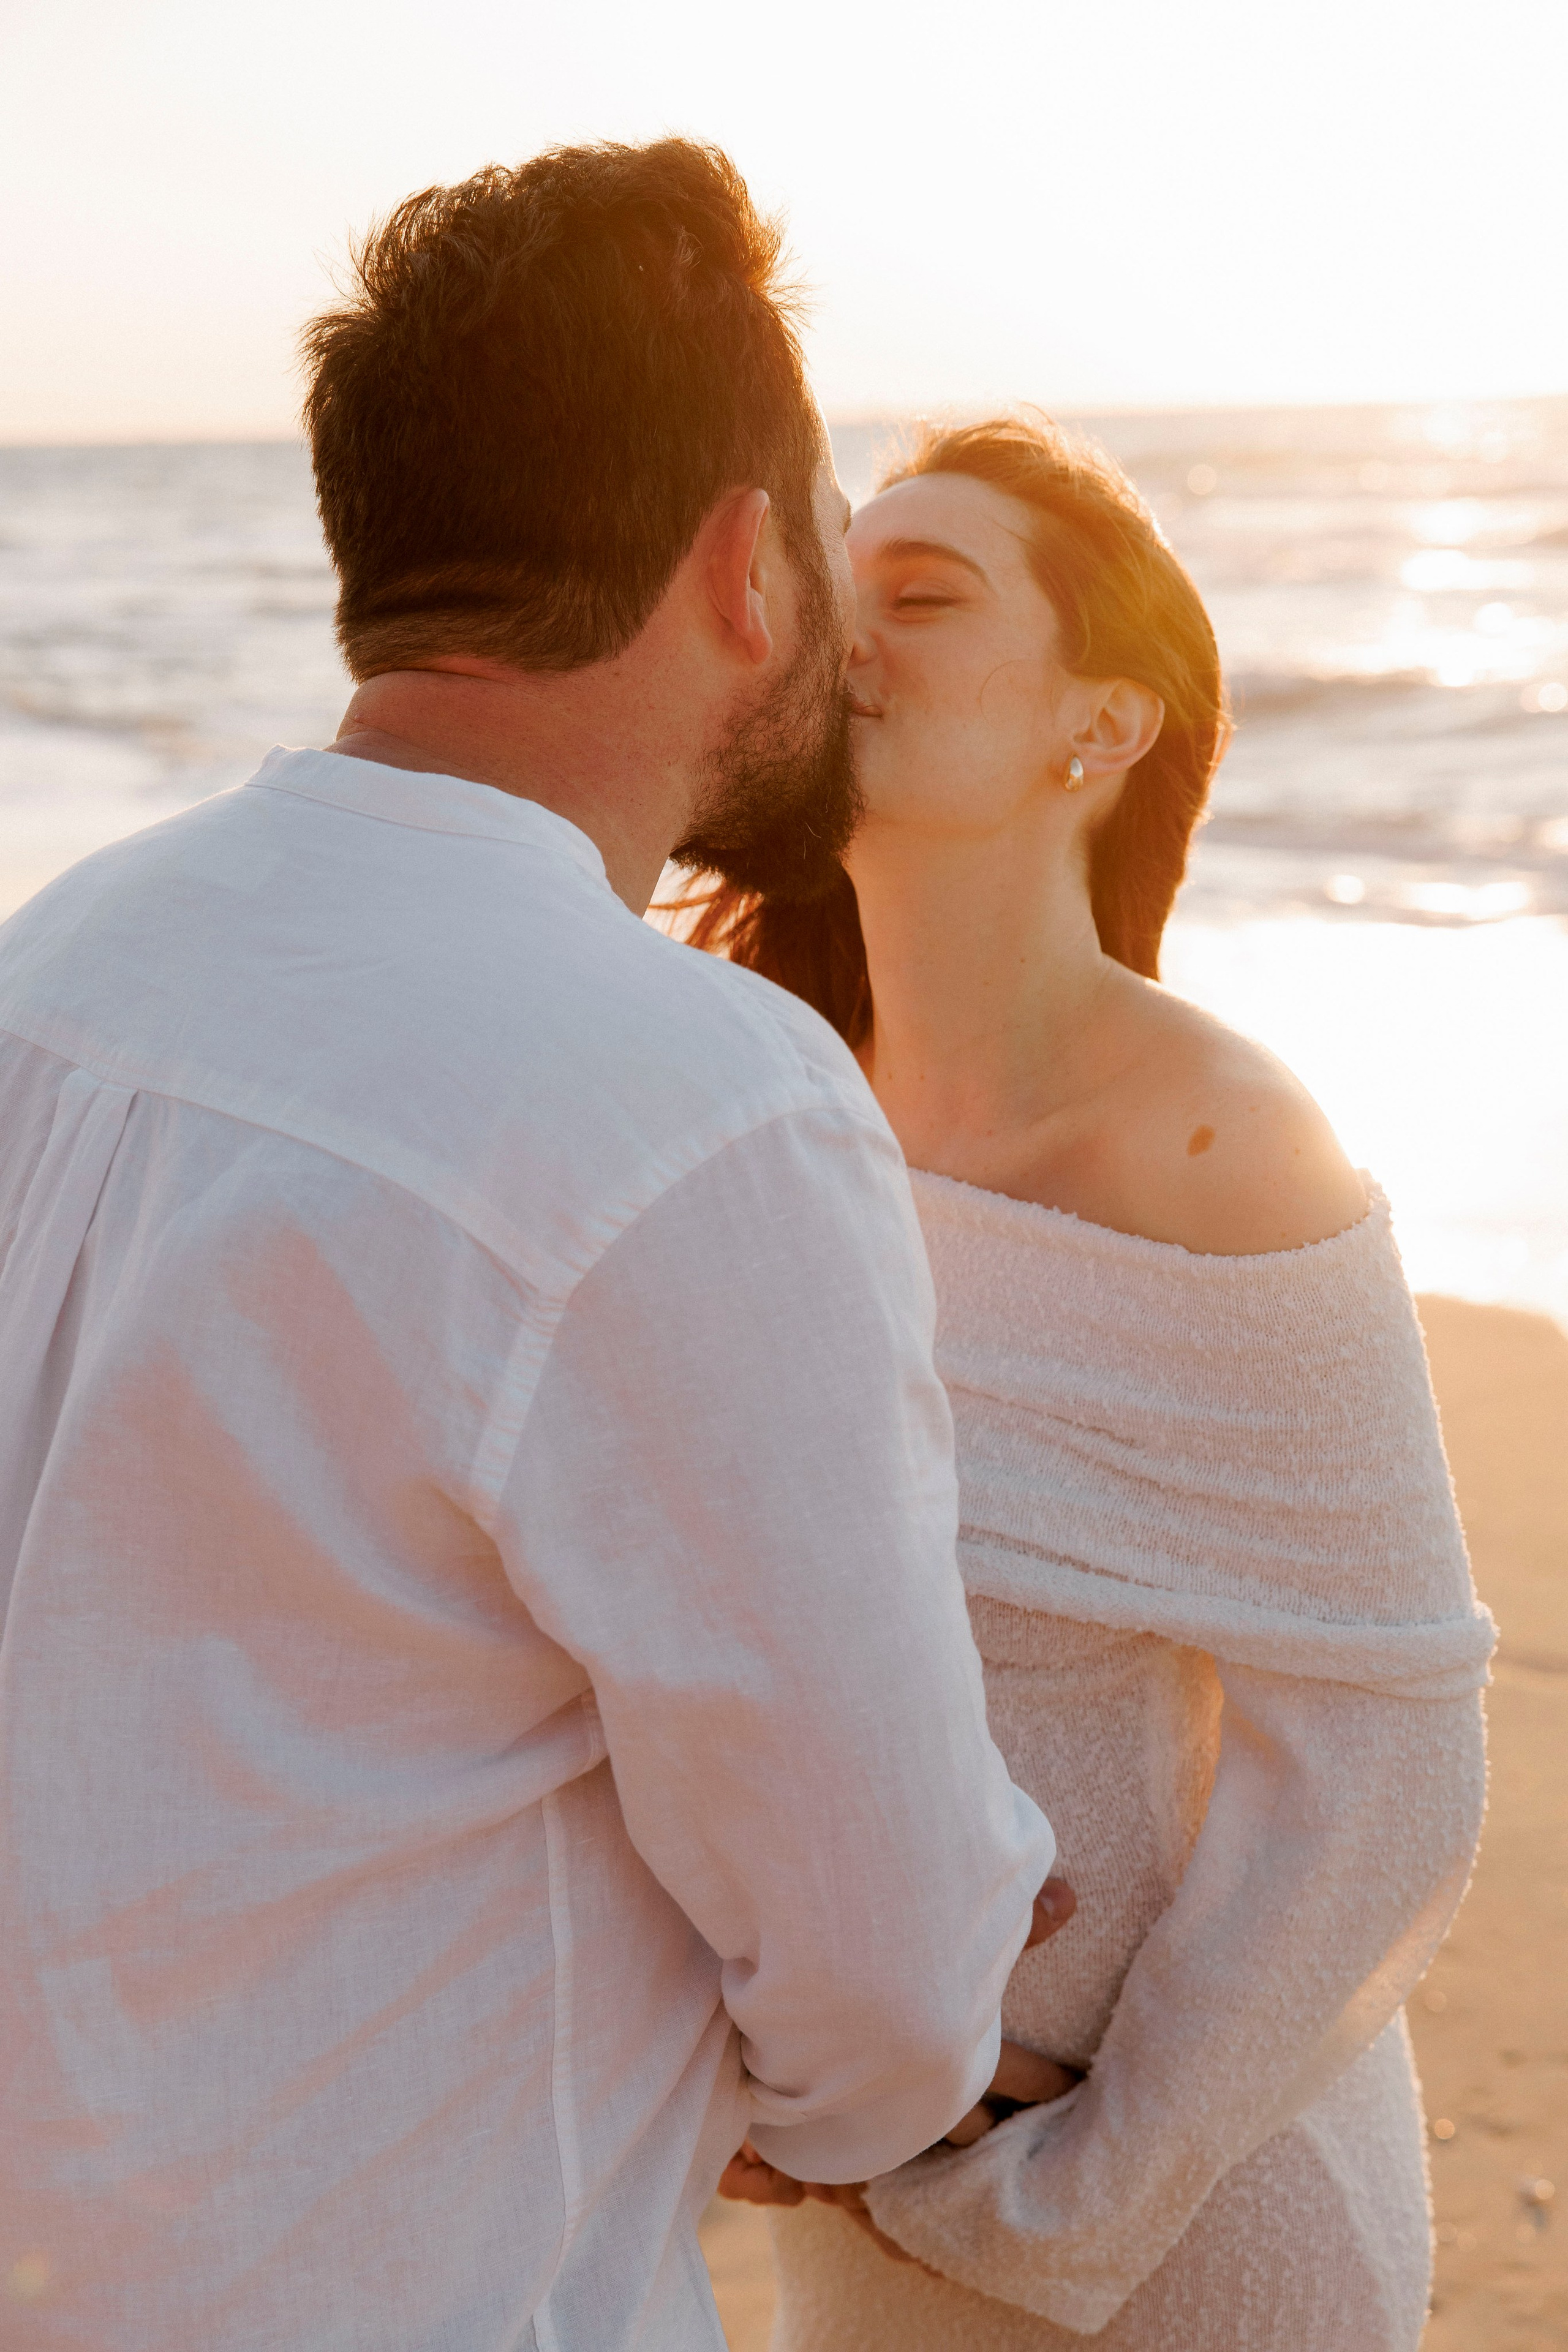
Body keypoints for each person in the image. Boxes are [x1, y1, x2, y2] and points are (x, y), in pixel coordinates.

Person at [0, 151, 1066, 2352]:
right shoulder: (696, 1105)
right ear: (746, 567)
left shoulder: (65, 958)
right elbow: (882, 1979)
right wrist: (827, 2072)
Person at [696, 416, 1495, 2348]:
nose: (850, 637)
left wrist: (1070, 2196)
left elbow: (1388, 1761)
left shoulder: (1220, 1147)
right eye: (834, 588)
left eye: (930, 596)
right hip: (874, 2186)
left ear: (1103, 725)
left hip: (1181, 2214)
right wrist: (741, 2065)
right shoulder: (763, 1120)